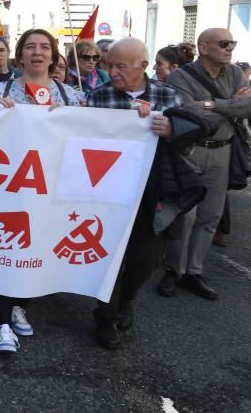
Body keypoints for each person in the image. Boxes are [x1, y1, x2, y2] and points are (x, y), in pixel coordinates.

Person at [0, 28, 83, 354]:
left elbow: (92, 134)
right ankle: (2, 324)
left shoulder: (71, 96)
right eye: (30, 47)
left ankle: (19, 305)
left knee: (35, 250)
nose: (37, 52)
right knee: (6, 248)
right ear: (20, 55)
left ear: (53, 55)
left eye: (44, 47)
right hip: (8, 187)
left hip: (52, 189)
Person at [86, 38, 183, 349]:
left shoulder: (169, 96)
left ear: (143, 65)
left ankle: (126, 300)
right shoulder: (99, 96)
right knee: (108, 258)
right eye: (109, 65)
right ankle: (105, 316)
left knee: (146, 260)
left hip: (153, 193)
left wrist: (172, 131)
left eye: (120, 66)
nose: (112, 72)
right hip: (108, 192)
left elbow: (188, 141)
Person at [158, 28, 251, 302]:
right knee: (184, 215)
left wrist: (211, 104)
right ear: (204, 48)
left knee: (210, 216)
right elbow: (192, 115)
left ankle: (194, 272)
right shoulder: (180, 76)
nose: (230, 48)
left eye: (232, 43)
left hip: (223, 151)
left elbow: (247, 108)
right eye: (224, 43)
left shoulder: (235, 72)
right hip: (190, 151)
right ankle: (173, 270)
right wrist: (231, 105)